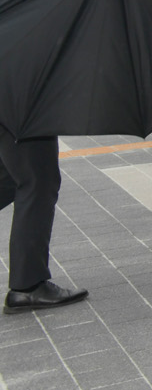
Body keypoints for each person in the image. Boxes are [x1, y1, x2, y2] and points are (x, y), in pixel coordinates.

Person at [0, 133, 88, 314]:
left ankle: (27, 283)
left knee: (10, 174)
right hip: (25, 118)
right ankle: (28, 286)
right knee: (38, 179)